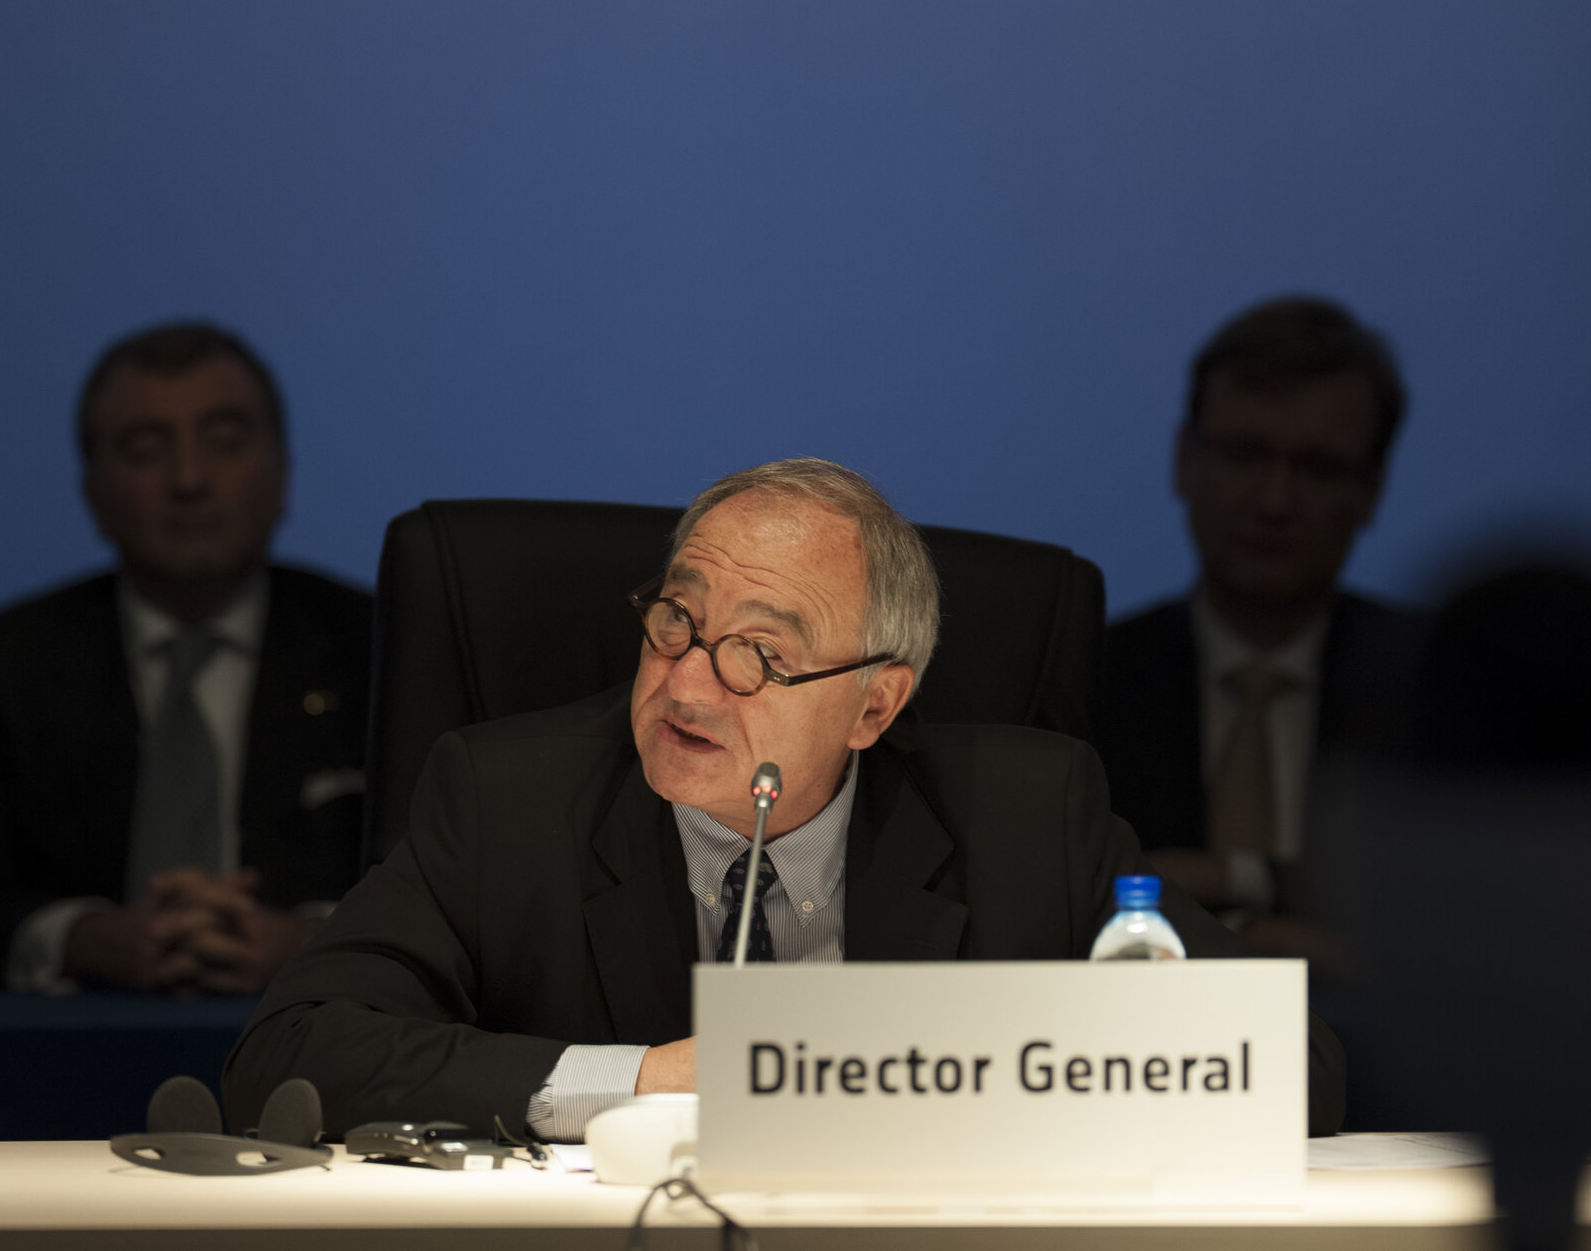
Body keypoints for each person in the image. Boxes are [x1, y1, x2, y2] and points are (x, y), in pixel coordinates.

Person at [224, 457, 1345, 1138]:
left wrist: (999, 1081)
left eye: (758, 653)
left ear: (872, 706)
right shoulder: (510, 799)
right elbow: (292, 1049)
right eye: (678, 617)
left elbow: (1294, 1061)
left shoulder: (1027, 816)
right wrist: (645, 1080)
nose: (688, 678)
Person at [0, 322, 373, 993]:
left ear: (281, 475)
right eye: (145, 449)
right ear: (94, 495)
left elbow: (466, 904)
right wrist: (81, 940)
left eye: (224, 442)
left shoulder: (381, 647)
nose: (190, 479)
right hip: (73, 1057)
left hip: (324, 1052)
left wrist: (313, 942)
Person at [1093, 298, 1425, 947]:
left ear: (1371, 490)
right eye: (1247, 455)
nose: (1275, 502)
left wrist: (1234, 878)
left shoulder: (1443, 686)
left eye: (1318, 468)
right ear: (1184, 459)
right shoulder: (1083, 681)